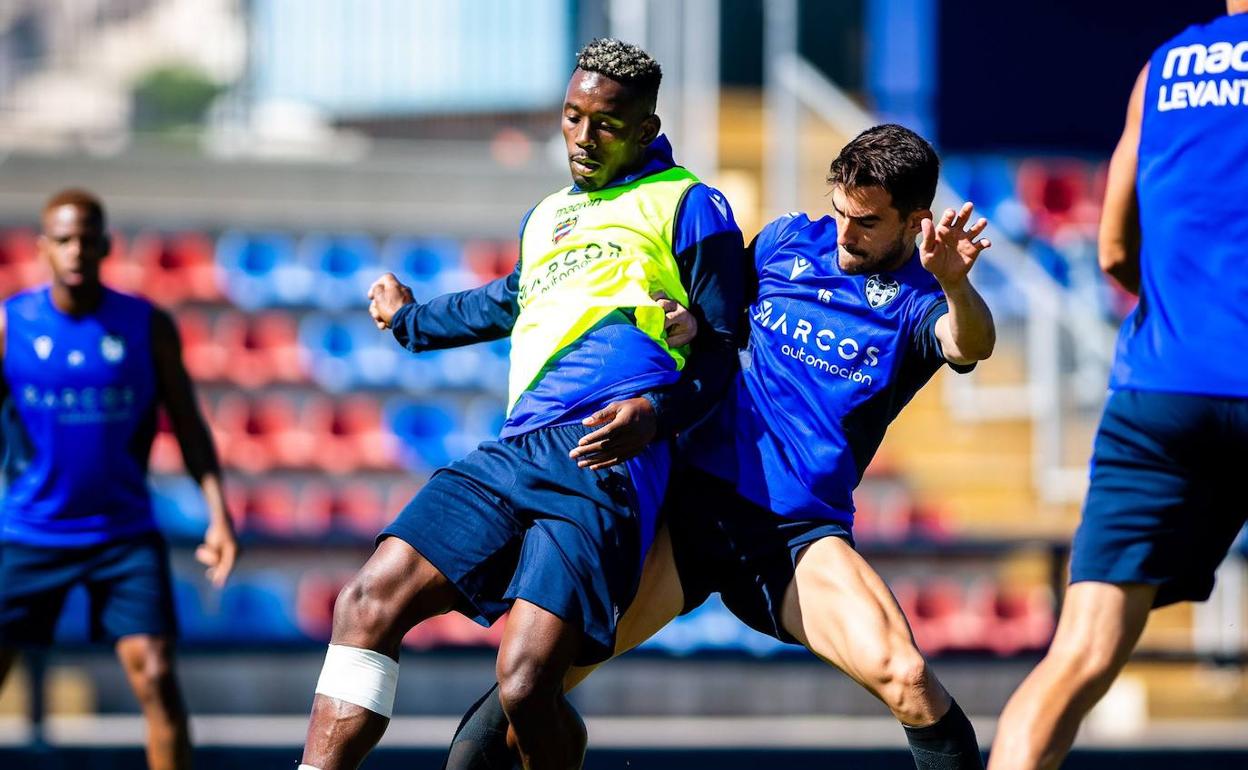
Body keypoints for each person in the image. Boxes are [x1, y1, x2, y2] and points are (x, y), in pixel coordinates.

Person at [444, 123, 996, 770]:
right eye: (840, 211)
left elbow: (970, 345)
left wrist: (956, 284)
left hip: (792, 533)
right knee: (535, 680)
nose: (845, 235)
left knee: (907, 677)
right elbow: (715, 316)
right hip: (689, 507)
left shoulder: (923, 299)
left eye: (868, 223)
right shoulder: (789, 240)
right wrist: (691, 324)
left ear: (914, 222)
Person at [298, 38, 743, 770]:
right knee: (366, 601)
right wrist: (411, 320)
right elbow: (510, 298)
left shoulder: (690, 205)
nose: (582, 138)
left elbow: (725, 352)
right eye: (572, 118)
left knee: (527, 685)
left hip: (603, 461)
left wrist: (656, 418)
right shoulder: (548, 216)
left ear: (645, 126)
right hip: (514, 451)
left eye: (605, 123)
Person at [988, 4, 1248, 768]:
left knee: (1078, 656)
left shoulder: (1164, 69)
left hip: (1160, 393)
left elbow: (1110, 251)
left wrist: (1182, 315)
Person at [0, 189, 239, 770]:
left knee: (157, 677)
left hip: (122, 536)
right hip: (29, 533)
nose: (75, 249)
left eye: (86, 237)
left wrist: (218, 514)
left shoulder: (144, 325)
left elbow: (187, 423)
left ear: (105, 245)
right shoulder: (12, 324)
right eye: (62, 239)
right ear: (42, 248)